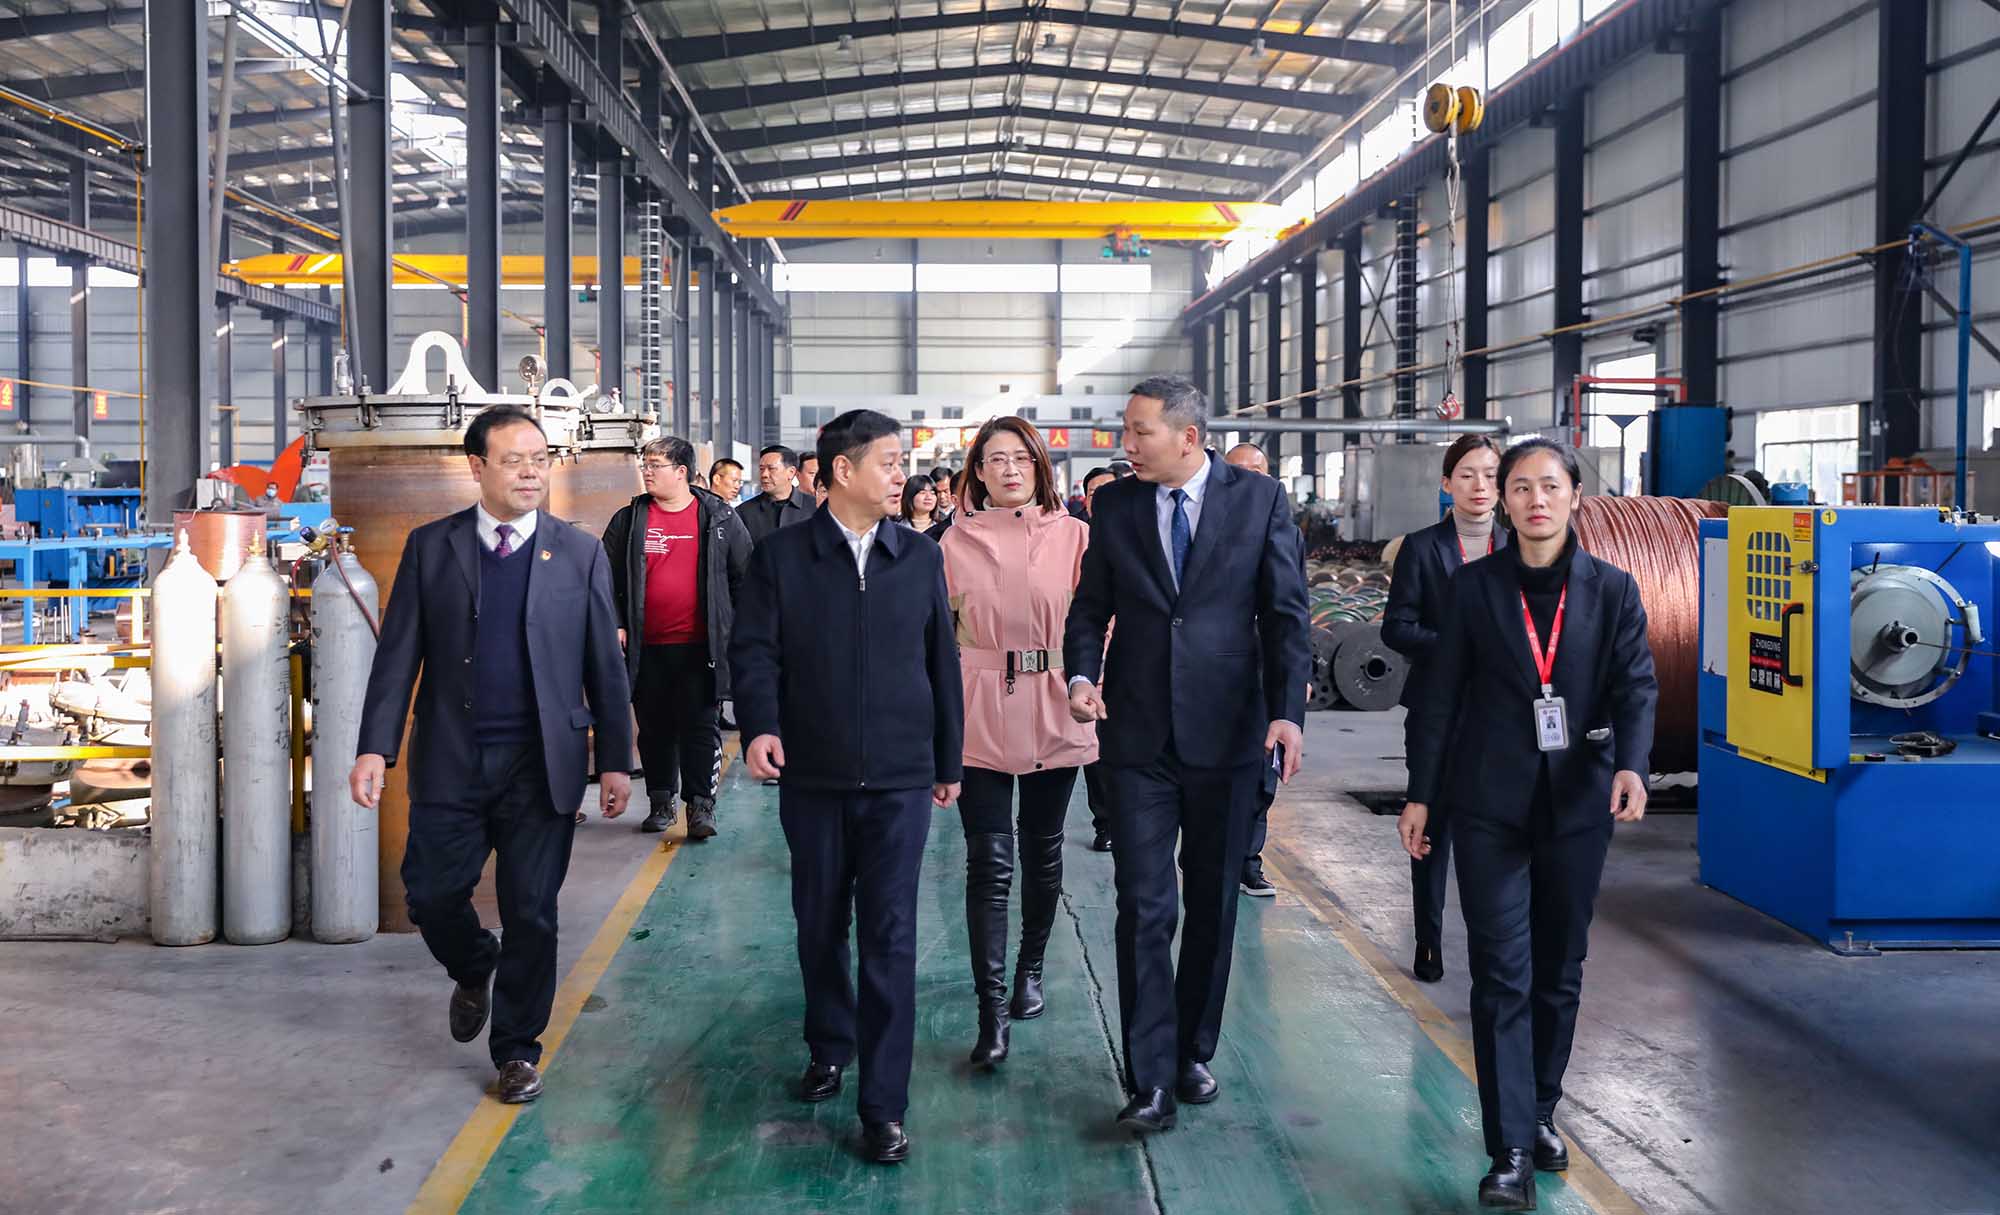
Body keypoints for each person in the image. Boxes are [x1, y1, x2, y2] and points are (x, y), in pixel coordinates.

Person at [1399, 437, 1655, 1211]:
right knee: (1501, 971)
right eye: (1520, 487)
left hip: (1577, 805)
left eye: (1549, 486)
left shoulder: (1613, 590)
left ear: (1575, 495)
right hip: (1488, 804)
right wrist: (1422, 795)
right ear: (1504, 501)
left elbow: (1636, 685)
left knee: (1559, 967)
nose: (1535, 499)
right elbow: (1440, 699)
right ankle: (1509, 1145)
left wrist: (1632, 764)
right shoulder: (1473, 589)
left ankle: (1542, 1107)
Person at [350, 404, 633, 1106]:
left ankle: (516, 1049)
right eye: (515, 460)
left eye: (540, 459)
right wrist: (375, 747)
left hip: (543, 764)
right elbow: (398, 656)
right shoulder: (432, 547)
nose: (532, 472)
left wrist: (617, 757)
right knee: (431, 894)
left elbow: (604, 662)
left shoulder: (578, 552)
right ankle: (475, 962)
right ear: (477, 467)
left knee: (532, 909)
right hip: (453, 757)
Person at [1063, 374, 1310, 1134]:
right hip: (1137, 737)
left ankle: (1193, 1049)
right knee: (1143, 903)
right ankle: (1149, 1077)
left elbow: (1286, 613)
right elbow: (1089, 608)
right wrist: (1081, 676)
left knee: (1211, 901)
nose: (1126, 445)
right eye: (1126, 431)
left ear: (1188, 437)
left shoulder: (1259, 501)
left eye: (1139, 432)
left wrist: (1287, 712)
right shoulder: (1116, 505)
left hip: (1229, 734)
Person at [730, 408, 964, 1166]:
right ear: (842, 470)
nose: (903, 476)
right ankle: (830, 1043)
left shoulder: (918, 557)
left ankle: (884, 1105)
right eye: (889, 463)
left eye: (902, 464)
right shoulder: (783, 557)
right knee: (820, 921)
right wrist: (760, 726)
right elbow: (754, 650)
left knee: (891, 936)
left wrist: (948, 760)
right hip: (815, 775)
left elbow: (941, 660)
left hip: (900, 778)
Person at [939, 417, 1096, 1070]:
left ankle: (1031, 966)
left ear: (1040, 467)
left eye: (1021, 458)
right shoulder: (950, 542)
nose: (1009, 469)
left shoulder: (1077, 537)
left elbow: (1100, 622)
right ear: (976, 471)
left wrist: (1093, 683)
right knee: (988, 860)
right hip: (976, 705)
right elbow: (932, 636)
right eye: (995, 459)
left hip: (1056, 700)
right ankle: (991, 1005)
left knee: (1042, 847)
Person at [1382, 433, 1506, 982]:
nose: (1480, 486)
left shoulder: (1519, 546)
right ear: (1446, 483)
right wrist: (1459, 646)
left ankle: (1497, 947)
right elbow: (1397, 627)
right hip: (1438, 711)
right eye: (1467, 475)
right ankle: (1428, 941)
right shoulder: (1423, 548)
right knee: (1431, 825)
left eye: (1491, 475)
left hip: (1504, 716)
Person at [601, 437, 752, 838]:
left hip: (701, 646)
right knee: (654, 728)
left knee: (700, 725)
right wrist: (616, 622)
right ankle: (661, 801)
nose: (647, 472)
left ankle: (701, 806)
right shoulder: (629, 520)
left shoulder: (718, 518)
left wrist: (736, 630)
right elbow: (603, 578)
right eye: (645, 464)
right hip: (646, 645)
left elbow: (745, 577)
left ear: (681, 471)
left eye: (655, 465)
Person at [1219, 441, 1306, 899]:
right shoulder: (1206, 529)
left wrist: (1296, 677)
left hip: (1264, 673)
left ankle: (1248, 862)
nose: (1252, 479)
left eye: (1260, 471)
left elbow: (1295, 611)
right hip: (1215, 674)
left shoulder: (1287, 533)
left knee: (1262, 772)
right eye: (1240, 471)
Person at [1076, 465, 1121, 854]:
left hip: (1127, 657)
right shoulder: (1074, 537)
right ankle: (1105, 821)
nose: (1102, 499)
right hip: (1088, 656)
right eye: (1094, 493)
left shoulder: (1137, 534)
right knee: (1094, 746)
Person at [740, 445, 814, 544]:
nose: (764, 474)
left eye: (771, 468)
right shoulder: (744, 512)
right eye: (761, 469)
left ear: (791, 472)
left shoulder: (815, 507)